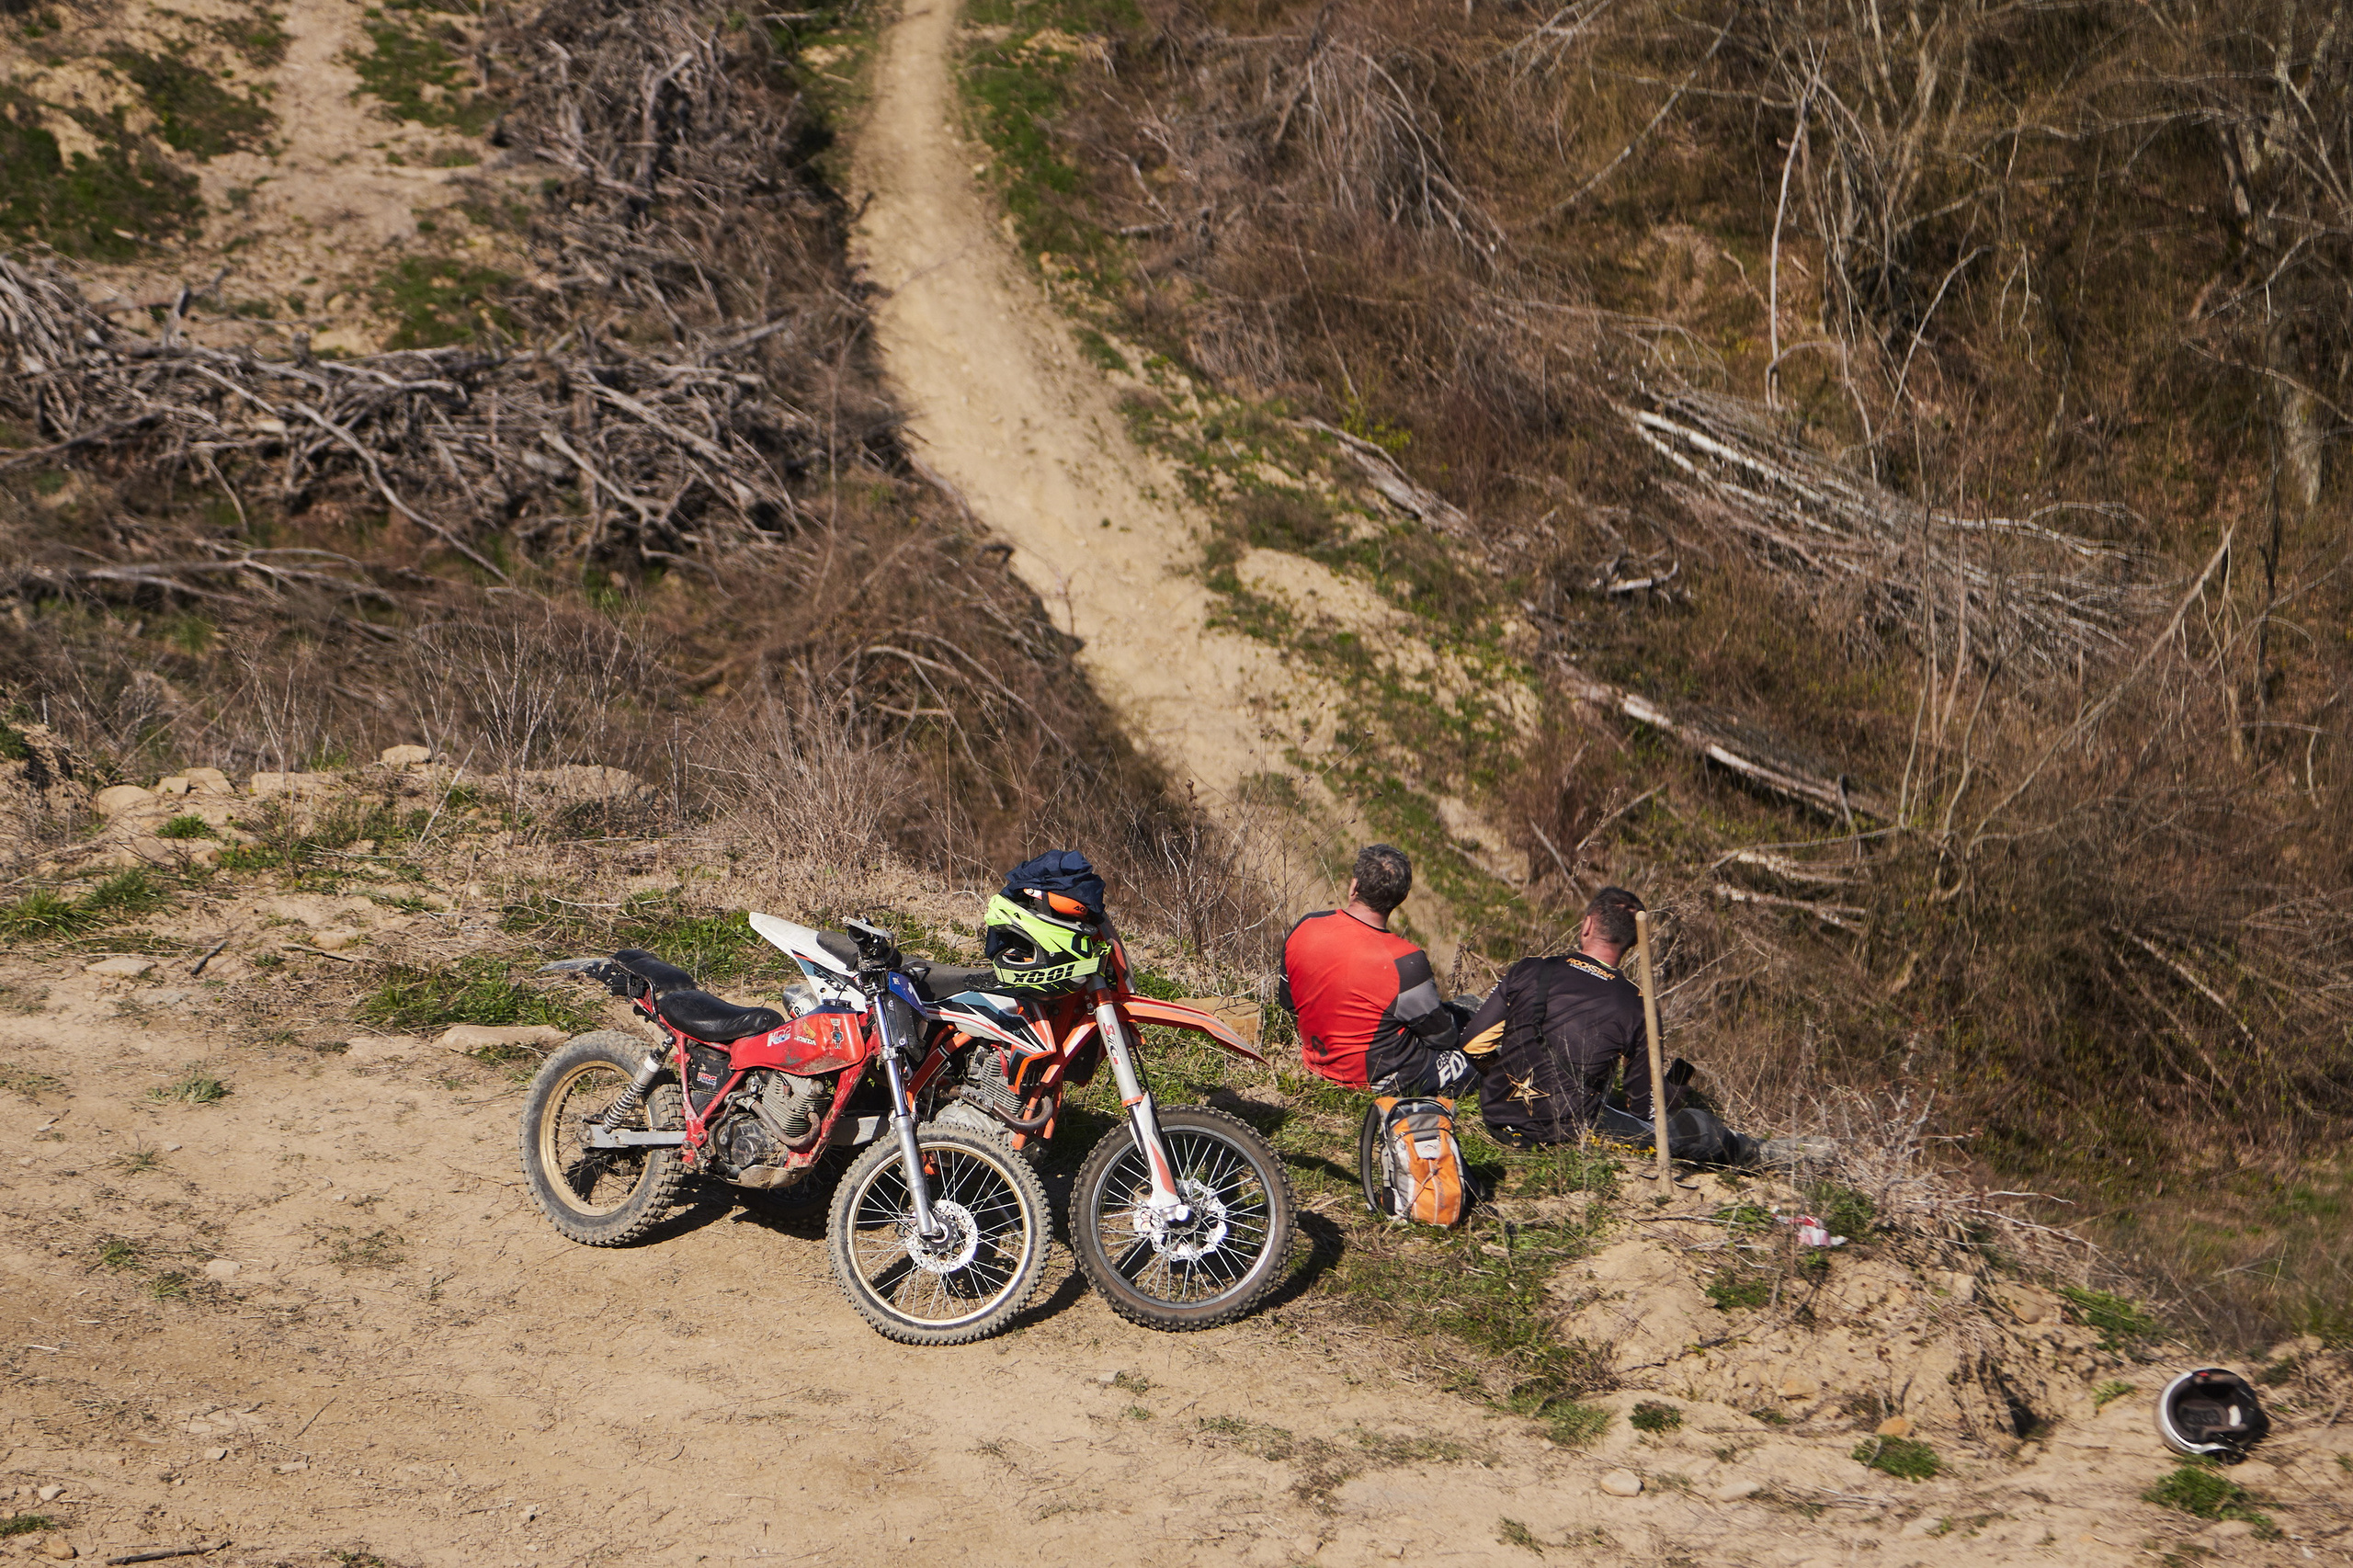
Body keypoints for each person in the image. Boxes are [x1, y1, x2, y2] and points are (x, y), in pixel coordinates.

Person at [1461, 885, 1757, 1164]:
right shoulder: (1639, 1005)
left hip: (1496, 1114)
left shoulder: (1530, 967)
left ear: (1587, 925)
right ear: (1633, 944)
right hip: (1563, 1131)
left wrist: (1508, 1078)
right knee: (1698, 1127)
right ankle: (1760, 1153)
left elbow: (1473, 1045)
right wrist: (1675, 1092)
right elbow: (1643, 1109)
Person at [1278, 845, 1474, 1097]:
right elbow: (1442, 1038)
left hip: (1317, 1063)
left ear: (1354, 886)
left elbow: (1288, 1002)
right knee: (1482, 1054)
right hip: (1376, 1079)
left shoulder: (1306, 925)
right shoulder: (1405, 961)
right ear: (1400, 898)